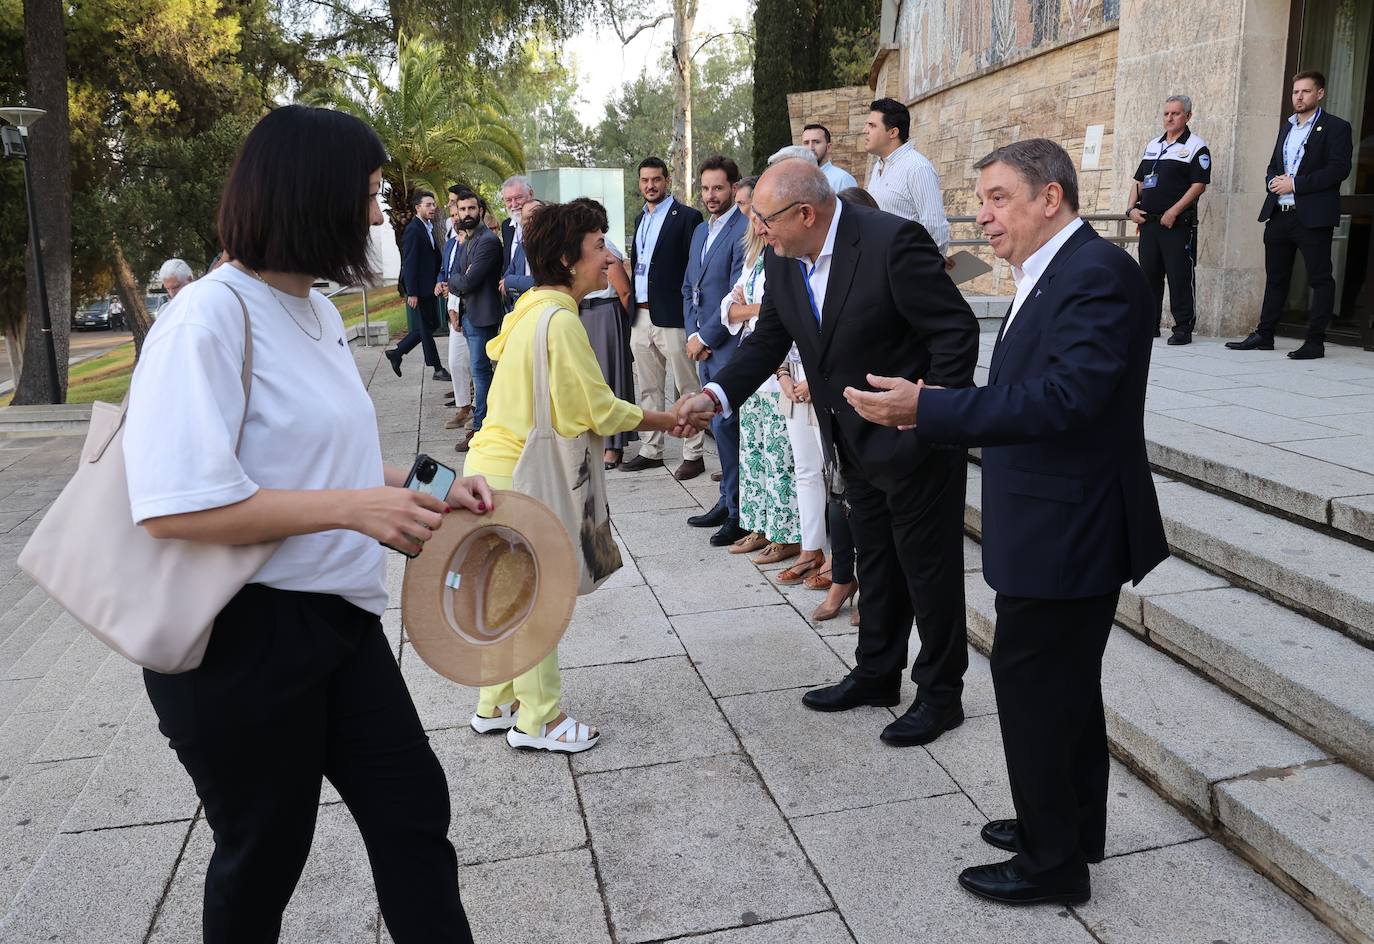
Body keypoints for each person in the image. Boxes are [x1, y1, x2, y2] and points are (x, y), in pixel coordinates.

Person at [123, 105, 488, 943]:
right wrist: (357, 510)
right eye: (368, 194)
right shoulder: (208, 318)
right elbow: (174, 506)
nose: (378, 215)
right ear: (311, 196)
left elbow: (325, 465)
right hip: (240, 642)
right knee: (265, 856)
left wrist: (429, 486)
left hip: (337, 624)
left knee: (412, 816)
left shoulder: (317, 312)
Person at [847, 138, 1168, 907]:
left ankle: (1051, 862)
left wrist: (931, 407)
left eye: (996, 198)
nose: (981, 217)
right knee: (1065, 691)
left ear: (1048, 198)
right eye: (981, 200)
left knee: (1034, 690)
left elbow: (1066, 399)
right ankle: (1067, 824)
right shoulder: (1053, 269)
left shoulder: (1099, 275)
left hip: (1071, 528)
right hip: (1052, 518)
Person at [673, 160, 979, 748]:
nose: (757, 231)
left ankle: (942, 696)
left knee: (930, 575)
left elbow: (955, 332)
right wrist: (715, 395)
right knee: (876, 562)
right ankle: (876, 674)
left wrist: (927, 415)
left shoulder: (892, 242)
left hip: (915, 444)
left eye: (764, 221)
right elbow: (768, 341)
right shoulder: (786, 262)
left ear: (805, 214)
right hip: (852, 443)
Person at [465, 200, 679, 753]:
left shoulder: (530, 307)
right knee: (540, 595)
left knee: (508, 594)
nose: (608, 256)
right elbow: (597, 409)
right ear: (567, 259)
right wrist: (666, 419)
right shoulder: (559, 320)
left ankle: (497, 702)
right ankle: (540, 719)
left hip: (488, 466)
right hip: (522, 475)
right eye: (598, 246)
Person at [719, 175, 817, 576]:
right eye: (747, 209)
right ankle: (761, 525)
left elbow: (780, 316)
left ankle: (790, 534)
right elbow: (729, 309)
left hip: (789, 371)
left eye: (753, 209)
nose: (750, 218)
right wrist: (755, 309)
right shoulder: (756, 259)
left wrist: (757, 309)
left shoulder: (789, 259)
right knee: (756, 453)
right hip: (764, 370)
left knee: (786, 462)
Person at [1228, 70, 1353, 360]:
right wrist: (1273, 181)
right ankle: (1265, 334)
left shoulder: (1336, 127)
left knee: (1320, 279)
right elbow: (1274, 164)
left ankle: (1315, 341)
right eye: (1295, 92)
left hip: (1311, 216)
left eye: (1305, 91)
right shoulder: (1287, 128)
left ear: (1319, 93)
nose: (1298, 97)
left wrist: (1295, 184)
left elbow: (1338, 170)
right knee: (1276, 278)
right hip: (1279, 213)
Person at [623, 156, 707, 479]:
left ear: (667, 180)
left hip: (673, 316)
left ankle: (694, 452)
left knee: (686, 385)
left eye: (655, 179)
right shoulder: (639, 219)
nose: (650, 186)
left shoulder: (687, 217)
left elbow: (693, 270)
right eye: (644, 181)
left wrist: (694, 316)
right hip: (641, 316)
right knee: (648, 387)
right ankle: (651, 448)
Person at [683, 156, 750, 545]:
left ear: (733, 187)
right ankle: (725, 501)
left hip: (728, 345)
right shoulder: (700, 231)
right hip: (701, 344)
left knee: (731, 428)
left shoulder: (744, 230)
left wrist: (705, 338)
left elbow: (734, 294)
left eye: (718, 188)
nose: (711, 195)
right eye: (705, 188)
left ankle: (739, 512)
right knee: (720, 430)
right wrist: (691, 335)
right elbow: (688, 286)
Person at [1128, 95, 1210, 345]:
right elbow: (1140, 181)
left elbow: (1199, 185)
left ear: (1188, 116)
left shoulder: (1196, 147)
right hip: (1149, 223)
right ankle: (1149, 326)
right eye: (1166, 114)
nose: (1170, 118)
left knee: (1179, 276)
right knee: (1149, 276)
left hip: (1176, 224)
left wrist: (1174, 211)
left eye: (1175, 113)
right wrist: (1130, 208)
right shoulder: (1153, 144)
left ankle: (1182, 328)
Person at [570, 196, 639, 470]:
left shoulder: (606, 248)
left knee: (610, 378)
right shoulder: (576, 248)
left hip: (606, 313)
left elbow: (624, 290)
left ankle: (614, 446)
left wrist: (623, 327)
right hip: (584, 314)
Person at [445, 186, 504, 453]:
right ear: (456, 212)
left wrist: (457, 281)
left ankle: (480, 429)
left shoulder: (487, 241)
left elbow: (465, 280)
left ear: (480, 211)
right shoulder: (467, 240)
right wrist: (458, 283)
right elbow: (456, 274)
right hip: (468, 316)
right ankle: (484, 425)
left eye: (472, 209)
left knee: (481, 374)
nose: (467, 213)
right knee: (477, 372)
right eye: (462, 209)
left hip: (483, 317)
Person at [863, 97, 952, 257]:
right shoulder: (878, 165)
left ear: (893, 132)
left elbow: (935, 227)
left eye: (872, 125)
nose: (865, 130)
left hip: (907, 268)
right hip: (881, 263)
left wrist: (926, 267)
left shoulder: (918, 168)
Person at [386, 190, 450, 382]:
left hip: (428, 287)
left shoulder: (426, 227)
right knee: (425, 327)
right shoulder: (414, 230)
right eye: (428, 205)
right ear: (417, 208)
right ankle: (437, 368)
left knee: (431, 325)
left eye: (433, 205)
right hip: (419, 290)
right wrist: (411, 292)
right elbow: (410, 263)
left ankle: (398, 353)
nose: (432, 208)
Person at [436, 201, 472, 431]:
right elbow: (444, 270)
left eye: (457, 212)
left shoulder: (474, 241)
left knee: (477, 363)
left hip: (471, 308)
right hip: (453, 306)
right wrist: (440, 282)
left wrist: (454, 289)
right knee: (455, 361)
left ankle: (477, 411)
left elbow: (467, 276)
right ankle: (463, 407)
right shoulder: (450, 243)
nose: (455, 217)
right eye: (452, 214)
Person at [502, 198, 542, 307]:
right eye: (527, 218)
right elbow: (505, 278)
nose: (532, 222)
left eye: (536, 216)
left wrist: (510, 281)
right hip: (521, 309)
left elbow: (541, 281)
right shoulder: (521, 248)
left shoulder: (555, 247)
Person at [802, 123, 858, 192]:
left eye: (816, 142)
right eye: (806, 143)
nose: (811, 148)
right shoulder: (800, 179)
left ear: (829, 147)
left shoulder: (842, 179)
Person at [500, 174, 535, 274]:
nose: (514, 204)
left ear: (531, 194)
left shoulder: (547, 224)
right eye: (508, 200)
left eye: (518, 197)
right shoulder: (506, 226)